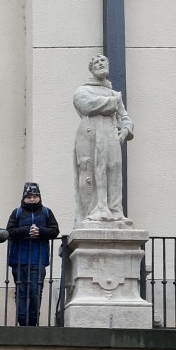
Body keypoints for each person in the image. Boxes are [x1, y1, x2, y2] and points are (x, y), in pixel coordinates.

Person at [73, 54, 134, 224]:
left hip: (110, 135)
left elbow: (125, 117)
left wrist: (125, 130)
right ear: (91, 69)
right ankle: (95, 210)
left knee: (113, 168)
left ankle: (115, 210)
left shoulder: (113, 93)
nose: (100, 64)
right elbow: (86, 106)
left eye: (103, 61)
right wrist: (113, 102)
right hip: (90, 136)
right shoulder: (83, 90)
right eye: (96, 63)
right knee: (92, 171)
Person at [6, 182, 59, 326]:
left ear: (39, 197)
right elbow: (9, 231)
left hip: (38, 258)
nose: (32, 199)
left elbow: (55, 230)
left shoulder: (46, 212)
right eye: (29, 197)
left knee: (36, 291)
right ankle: (22, 322)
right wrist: (26, 230)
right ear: (24, 198)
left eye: (35, 196)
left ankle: (33, 322)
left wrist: (40, 231)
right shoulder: (16, 212)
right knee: (21, 291)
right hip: (19, 259)